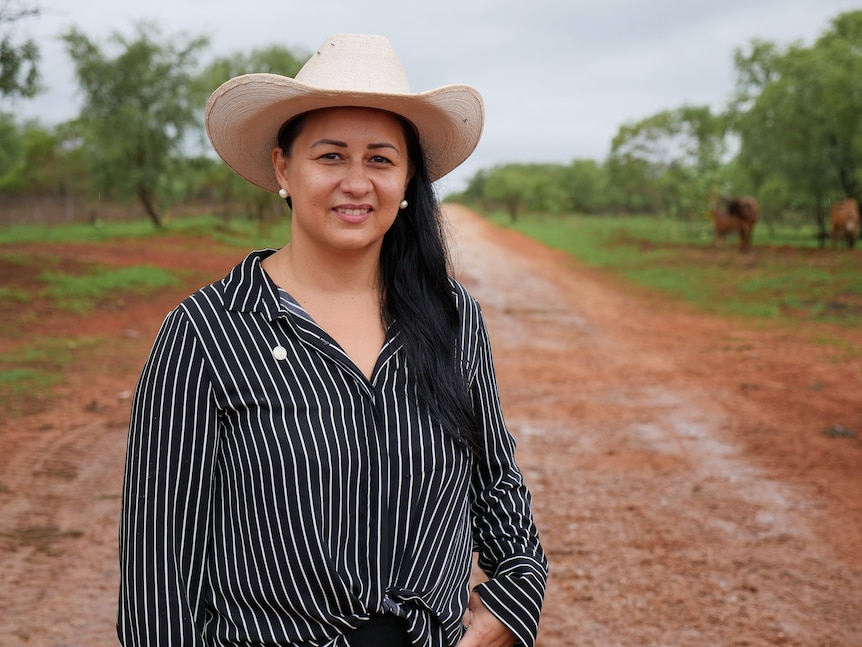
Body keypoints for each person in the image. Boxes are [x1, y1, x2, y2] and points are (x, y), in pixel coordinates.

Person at [117, 33, 548, 647]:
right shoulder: (207, 333)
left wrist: (506, 612)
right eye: (330, 156)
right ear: (282, 168)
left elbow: (498, 485)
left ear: (406, 182)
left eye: (379, 159)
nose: (356, 182)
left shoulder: (451, 318)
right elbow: (155, 574)